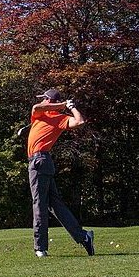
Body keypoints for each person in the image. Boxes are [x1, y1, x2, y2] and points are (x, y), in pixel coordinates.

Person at [27, 88, 94, 258]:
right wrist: (63, 105)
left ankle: (40, 247)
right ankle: (83, 237)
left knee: (39, 204)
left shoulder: (59, 119)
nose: (41, 101)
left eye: (44, 99)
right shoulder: (40, 114)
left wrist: (71, 107)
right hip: (42, 162)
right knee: (54, 204)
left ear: (49, 101)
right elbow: (36, 107)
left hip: (39, 161)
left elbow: (79, 121)